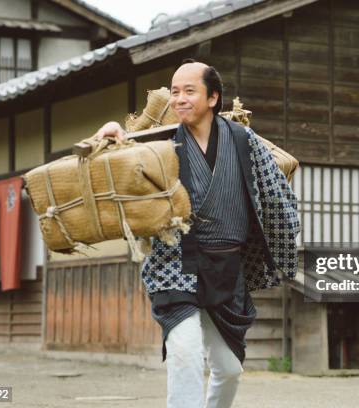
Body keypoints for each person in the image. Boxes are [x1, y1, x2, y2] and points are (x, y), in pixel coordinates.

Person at [94, 59, 300, 408]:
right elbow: (116, 159)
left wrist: (284, 246)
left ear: (213, 97)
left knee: (230, 368)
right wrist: (112, 131)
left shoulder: (243, 140)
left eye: (190, 91)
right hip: (175, 262)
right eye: (175, 92)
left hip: (226, 269)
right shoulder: (159, 141)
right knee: (185, 354)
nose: (179, 99)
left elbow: (275, 193)